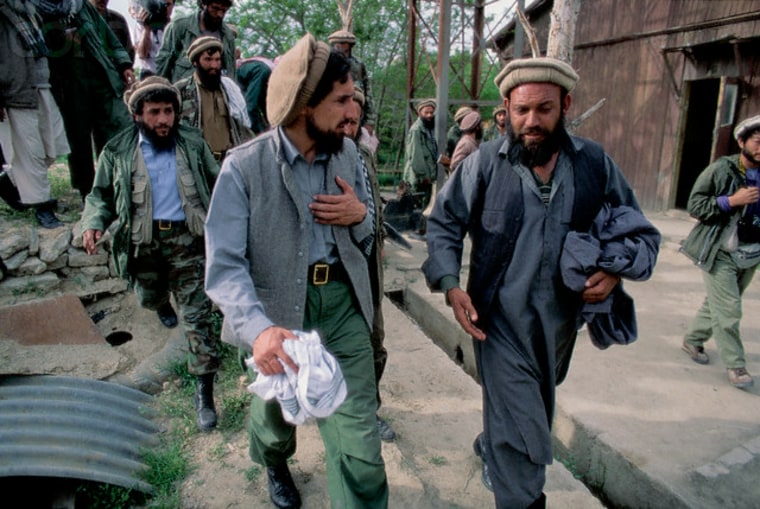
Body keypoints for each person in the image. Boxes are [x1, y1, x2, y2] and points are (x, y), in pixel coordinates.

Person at [421, 57, 658, 508]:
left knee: (529, 406)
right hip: (496, 321)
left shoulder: (594, 164)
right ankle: (523, 496)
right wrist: (451, 284)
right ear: (506, 108)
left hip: (558, 326)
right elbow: (444, 224)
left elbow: (638, 231)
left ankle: (494, 445)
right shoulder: (485, 164)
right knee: (526, 425)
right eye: (522, 110)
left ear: (565, 105)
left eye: (544, 109)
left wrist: (612, 273)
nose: (532, 121)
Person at [204, 33, 388, 509]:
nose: (354, 112)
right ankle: (273, 461)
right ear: (306, 106)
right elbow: (223, 266)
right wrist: (260, 331)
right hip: (278, 315)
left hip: (343, 309)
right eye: (342, 100)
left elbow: (368, 241)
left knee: (361, 447)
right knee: (273, 421)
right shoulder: (244, 168)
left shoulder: (350, 154)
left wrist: (360, 216)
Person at [80, 77, 221, 432]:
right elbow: (100, 197)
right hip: (143, 246)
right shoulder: (117, 150)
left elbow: (218, 181)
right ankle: (160, 303)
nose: (164, 120)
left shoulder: (190, 142)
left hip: (188, 242)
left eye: (169, 111)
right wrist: (94, 223)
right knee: (148, 297)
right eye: (155, 112)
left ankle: (204, 391)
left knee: (197, 317)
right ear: (138, 114)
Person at [680, 114, 760, 389]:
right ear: (742, 142)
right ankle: (736, 366)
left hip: (751, 254)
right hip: (721, 252)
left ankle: (692, 340)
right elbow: (695, 204)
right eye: (758, 142)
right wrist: (731, 201)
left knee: (717, 303)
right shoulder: (722, 169)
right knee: (729, 310)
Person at [43, 0, 135, 201]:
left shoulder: (83, 7)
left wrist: (124, 64)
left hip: (100, 76)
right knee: (78, 139)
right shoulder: (40, 9)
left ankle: (110, 183)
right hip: (70, 82)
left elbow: (111, 40)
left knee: (110, 132)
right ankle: (86, 189)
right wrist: (63, 39)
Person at [344, 85, 396, 442]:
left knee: (375, 338)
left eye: (355, 117)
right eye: (343, 115)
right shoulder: (319, 158)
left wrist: (380, 241)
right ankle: (351, 412)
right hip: (338, 267)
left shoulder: (364, 153)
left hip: (369, 261)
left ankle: (369, 408)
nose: (349, 123)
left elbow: (375, 202)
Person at [0, 0, 69, 228]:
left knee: (54, 145)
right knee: (32, 152)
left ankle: (8, 182)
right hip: (15, 91)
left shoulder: (30, 9)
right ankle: (42, 206)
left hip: (40, 84)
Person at [174, 36, 252, 162]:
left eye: (217, 60)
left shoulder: (229, 89)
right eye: (208, 60)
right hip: (200, 163)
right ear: (195, 62)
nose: (214, 65)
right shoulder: (181, 91)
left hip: (229, 160)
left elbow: (242, 126)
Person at [156, 0, 236, 83]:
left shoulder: (227, 36)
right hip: (185, 90)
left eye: (224, 11)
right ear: (204, 4)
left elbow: (231, 72)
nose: (219, 14)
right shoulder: (180, 26)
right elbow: (164, 62)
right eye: (215, 8)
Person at [328, 29, 376, 136]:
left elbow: (368, 93)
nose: (342, 50)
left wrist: (370, 122)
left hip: (356, 117)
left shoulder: (358, 65)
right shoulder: (326, 64)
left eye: (345, 47)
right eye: (338, 46)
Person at [402, 98, 438, 210]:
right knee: (418, 209)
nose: (429, 115)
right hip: (419, 179)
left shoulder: (430, 129)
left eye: (431, 112)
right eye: (426, 112)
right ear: (419, 113)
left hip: (427, 178)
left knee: (424, 207)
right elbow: (415, 156)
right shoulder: (416, 130)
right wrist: (424, 176)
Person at [131, 0, 175, 79]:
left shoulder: (176, 26)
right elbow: (142, 54)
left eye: (168, 4)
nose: (165, 7)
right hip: (149, 75)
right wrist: (146, 29)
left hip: (170, 74)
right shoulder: (140, 25)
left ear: (173, 6)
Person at [236, 55, 275, 135]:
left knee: (253, 105)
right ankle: (264, 132)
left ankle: (263, 133)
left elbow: (252, 105)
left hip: (261, 70)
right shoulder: (241, 68)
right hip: (262, 71)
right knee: (256, 105)